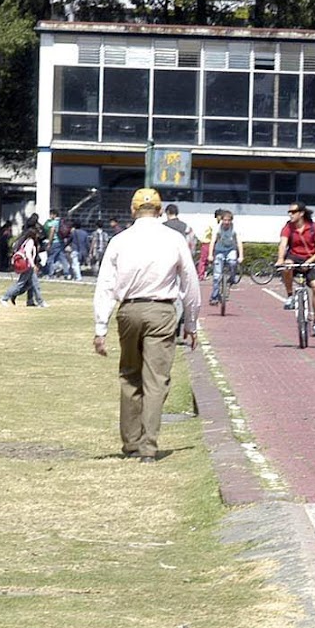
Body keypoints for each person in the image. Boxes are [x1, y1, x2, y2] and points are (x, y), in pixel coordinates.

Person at [92, 187, 202, 463]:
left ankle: (130, 442)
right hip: (162, 309)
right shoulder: (174, 239)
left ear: (133, 210)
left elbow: (105, 284)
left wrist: (100, 326)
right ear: (161, 210)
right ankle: (148, 447)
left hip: (129, 310)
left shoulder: (120, 240)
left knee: (130, 374)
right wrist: (191, 322)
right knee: (156, 379)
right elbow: (189, 281)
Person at [276, 202, 315, 338]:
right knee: (287, 266)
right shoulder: (288, 227)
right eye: (289, 212)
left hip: (312, 259)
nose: (290, 214)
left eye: (293, 212)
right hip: (294, 257)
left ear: (301, 213)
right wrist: (280, 258)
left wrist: (309, 262)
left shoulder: (313, 227)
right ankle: (290, 296)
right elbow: (283, 243)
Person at [0, 223, 47, 307]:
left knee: (34, 284)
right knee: (20, 284)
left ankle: (40, 301)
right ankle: (5, 298)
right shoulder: (30, 242)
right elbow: (28, 254)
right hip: (28, 265)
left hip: (28, 265)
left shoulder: (26, 241)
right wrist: (33, 265)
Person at [208, 210, 243, 305]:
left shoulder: (235, 229)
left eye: (228, 220)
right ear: (221, 220)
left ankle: (231, 278)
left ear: (231, 221)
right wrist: (210, 255)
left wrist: (241, 256)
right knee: (216, 276)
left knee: (233, 262)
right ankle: (214, 296)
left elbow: (239, 242)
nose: (226, 222)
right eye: (224, 220)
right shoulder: (217, 228)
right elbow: (212, 241)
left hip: (231, 250)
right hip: (219, 250)